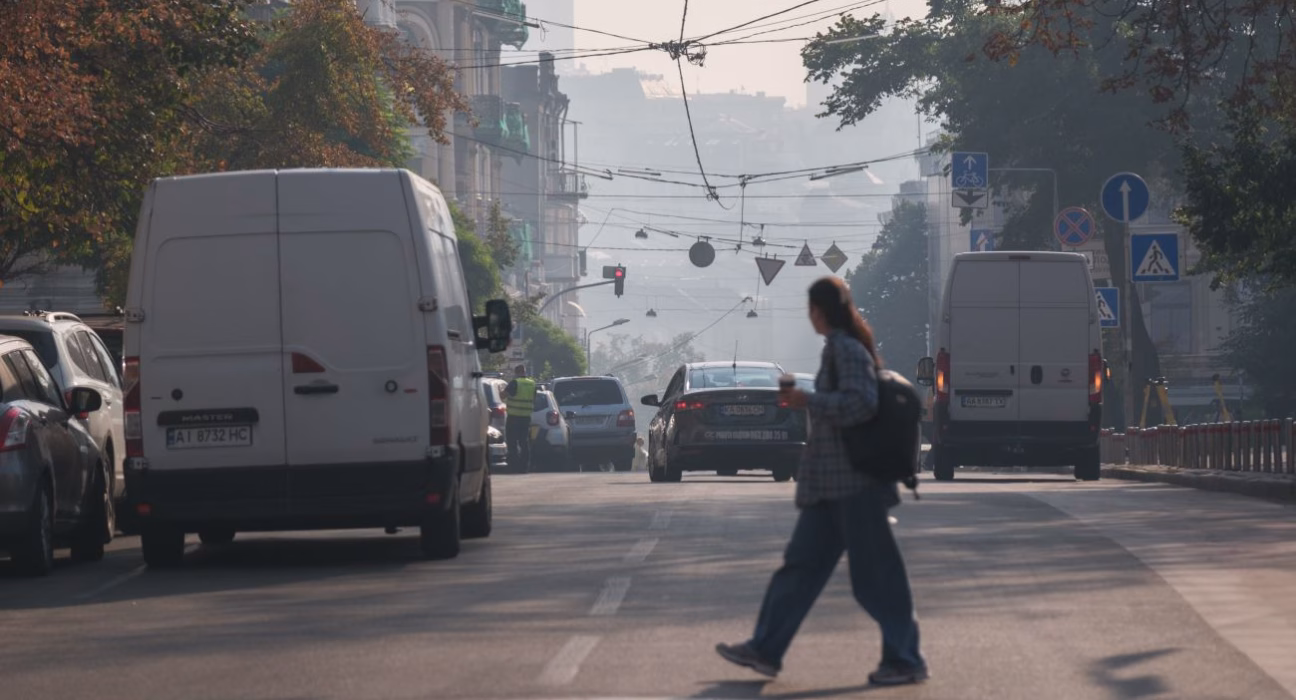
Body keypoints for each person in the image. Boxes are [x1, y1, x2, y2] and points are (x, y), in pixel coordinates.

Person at [715, 276, 927, 686]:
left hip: (855, 485)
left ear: (818, 311)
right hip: (829, 488)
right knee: (798, 570)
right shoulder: (839, 348)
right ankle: (765, 649)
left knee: (876, 579)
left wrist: (808, 399)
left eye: (810, 309)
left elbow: (861, 405)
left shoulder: (846, 350)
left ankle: (905, 659)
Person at [503, 364, 535, 472]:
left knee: (512, 442)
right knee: (524, 442)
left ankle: (514, 466)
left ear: (516, 372)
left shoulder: (515, 383)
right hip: (526, 417)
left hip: (514, 417)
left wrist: (501, 391)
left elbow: (503, 395)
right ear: (524, 371)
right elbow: (533, 399)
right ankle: (524, 466)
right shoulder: (532, 384)